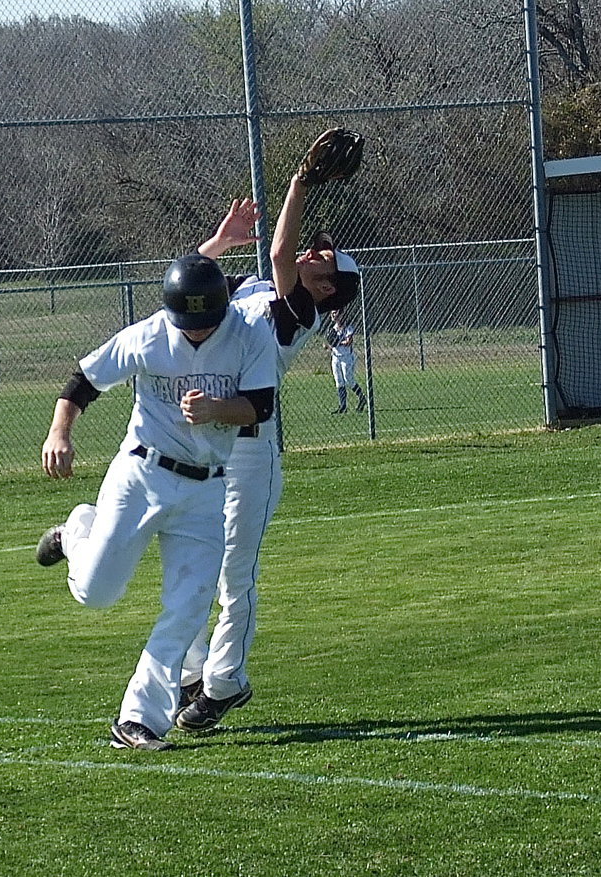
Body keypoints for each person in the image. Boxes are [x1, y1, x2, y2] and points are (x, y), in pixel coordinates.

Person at [36, 253, 278, 752]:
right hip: (142, 474)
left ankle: (138, 719)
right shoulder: (149, 334)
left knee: (188, 608)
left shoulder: (248, 335)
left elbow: (260, 405)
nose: (195, 332)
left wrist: (217, 409)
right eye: (187, 323)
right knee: (97, 592)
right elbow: (83, 381)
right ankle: (78, 531)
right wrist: (59, 432)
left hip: (208, 487)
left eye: (205, 322)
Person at [173, 163, 362, 733]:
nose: (313, 253)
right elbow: (193, 295)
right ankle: (191, 672)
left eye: (323, 259)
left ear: (327, 289)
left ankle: (224, 684)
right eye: (318, 249)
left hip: (250, 450)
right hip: (201, 441)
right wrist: (220, 243)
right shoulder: (254, 290)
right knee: (189, 562)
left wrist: (300, 184)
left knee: (234, 572)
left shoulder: (296, 309)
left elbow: (281, 256)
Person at [326, 309, 368, 413]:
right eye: (332, 313)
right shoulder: (333, 329)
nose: (333, 315)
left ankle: (362, 398)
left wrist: (337, 342)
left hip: (346, 357)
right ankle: (343, 406)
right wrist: (329, 346)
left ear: (341, 315)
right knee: (339, 381)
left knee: (349, 379)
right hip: (335, 357)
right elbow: (333, 344)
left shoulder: (347, 327)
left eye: (335, 313)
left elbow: (349, 342)